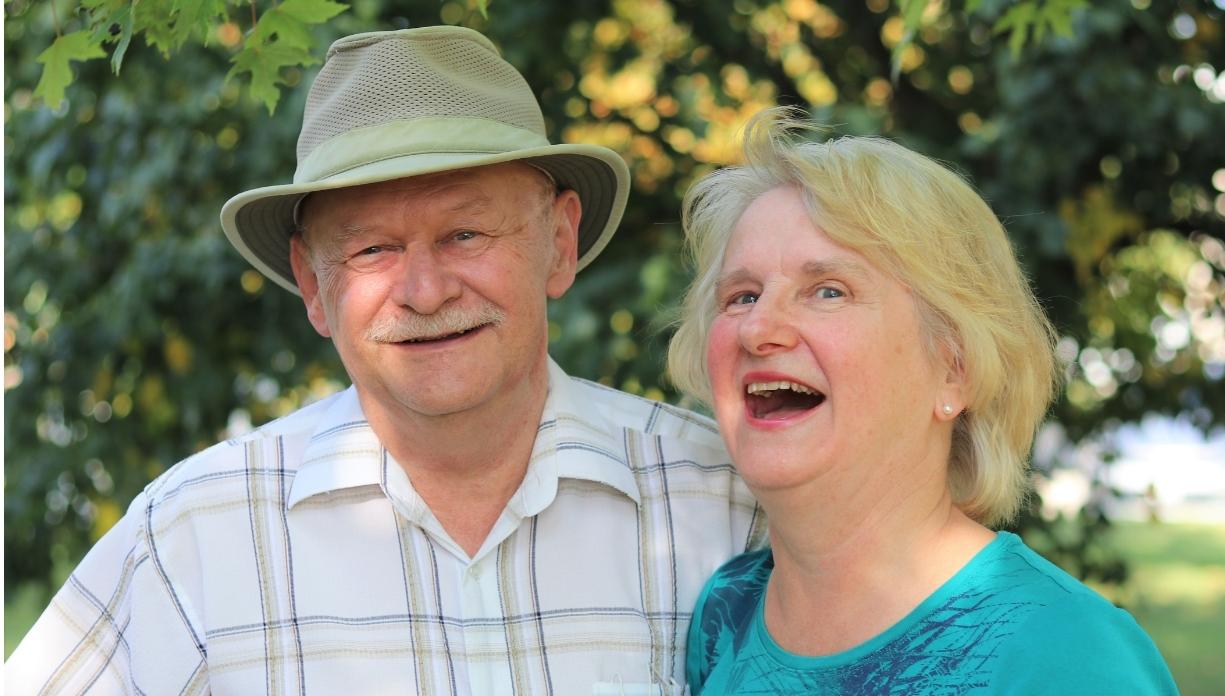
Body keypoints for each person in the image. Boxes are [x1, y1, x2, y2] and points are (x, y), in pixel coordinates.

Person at [8, 27, 763, 694]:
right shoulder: (194, 537)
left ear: (559, 245)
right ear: (313, 285)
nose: (425, 291)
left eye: (467, 233)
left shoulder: (726, 506)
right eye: (373, 249)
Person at [669, 109, 1178, 694]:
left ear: (954, 370)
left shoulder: (1067, 656)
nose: (759, 329)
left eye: (828, 290)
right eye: (742, 295)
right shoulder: (726, 613)